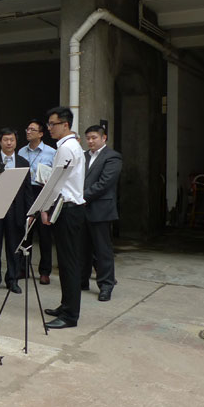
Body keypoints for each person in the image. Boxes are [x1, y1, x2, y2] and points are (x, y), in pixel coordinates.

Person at [42, 106, 87, 329]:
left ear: (65, 125)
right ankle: (66, 305)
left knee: (68, 263)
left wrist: (44, 207)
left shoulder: (66, 148)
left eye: (53, 124)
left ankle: (70, 315)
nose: (50, 128)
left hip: (66, 209)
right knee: (66, 261)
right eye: (49, 124)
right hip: (71, 208)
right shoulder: (72, 146)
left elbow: (56, 183)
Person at [0, 128, 33, 294]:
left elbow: (27, 190)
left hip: (16, 209)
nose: (9, 143)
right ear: (0, 142)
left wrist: (30, 213)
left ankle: (12, 279)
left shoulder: (23, 162)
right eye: (5, 139)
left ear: (16, 142)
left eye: (12, 139)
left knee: (14, 247)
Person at [81, 125, 123, 301]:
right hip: (81, 209)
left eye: (94, 138)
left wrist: (81, 196)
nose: (90, 141)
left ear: (103, 138)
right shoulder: (83, 156)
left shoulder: (112, 157)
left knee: (102, 250)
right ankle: (82, 281)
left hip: (100, 209)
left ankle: (106, 285)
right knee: (82, 248)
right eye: (88, 138)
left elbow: (105, 183)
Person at [17, 119, 56, 285]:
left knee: (44, 234)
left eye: (32, 129)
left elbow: (55, 175)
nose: (28, 132)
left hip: (43, 191)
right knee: (25, 232)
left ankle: (45, 271)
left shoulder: (51, 152)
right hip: (26, 192)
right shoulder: (21, 151)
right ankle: (23, 268)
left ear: (41, 133)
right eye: (27, 129)